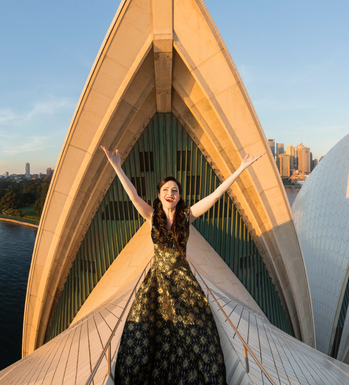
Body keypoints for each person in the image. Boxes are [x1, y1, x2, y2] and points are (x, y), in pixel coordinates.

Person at [101, 145, 263, 385]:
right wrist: (117, 167)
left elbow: (216, 195)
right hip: (156, 284)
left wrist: (241, 168)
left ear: (179, 196)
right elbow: (133, 195)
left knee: (197, 336)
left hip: (183, 283)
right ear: (159, 195)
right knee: (144, 336)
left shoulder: (187, 216)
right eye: (166, 189)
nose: (170, 193)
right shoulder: (150, 216)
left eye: (175, 190)